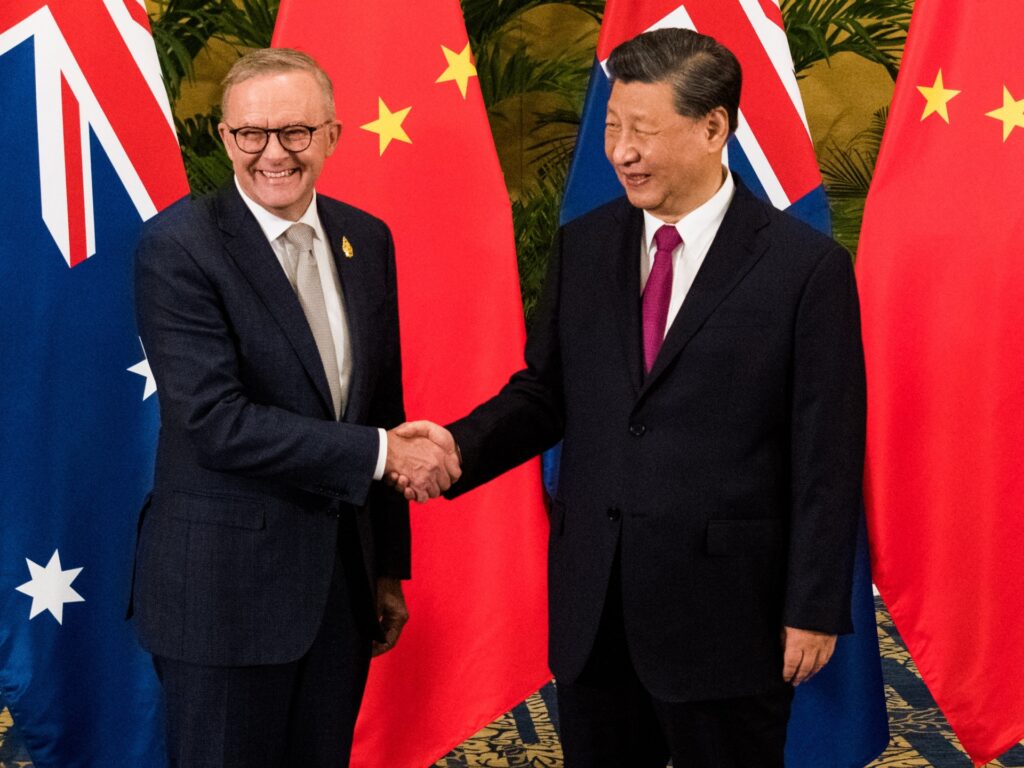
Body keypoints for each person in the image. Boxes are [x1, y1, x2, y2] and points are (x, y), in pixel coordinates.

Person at [396, 27, 865, 767]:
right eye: (613, 127)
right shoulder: (584, 245)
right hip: (596, 608)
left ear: (715, 127)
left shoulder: (805, 270)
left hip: (727, 616)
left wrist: (811, 607)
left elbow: (826, 455)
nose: (620, 151)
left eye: (642, 130)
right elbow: (547, 393)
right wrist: (459, 445)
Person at [130, 48, 458, 768]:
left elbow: (381, 403)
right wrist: (381, 456)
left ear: (333, 135)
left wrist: (385, 567)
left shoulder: (366, 239)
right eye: (252, 134)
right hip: (221, 599)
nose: (272, 153)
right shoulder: (178, 247)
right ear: (224, 138)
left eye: (295, 133)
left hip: (338, 594)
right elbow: (216, 422)